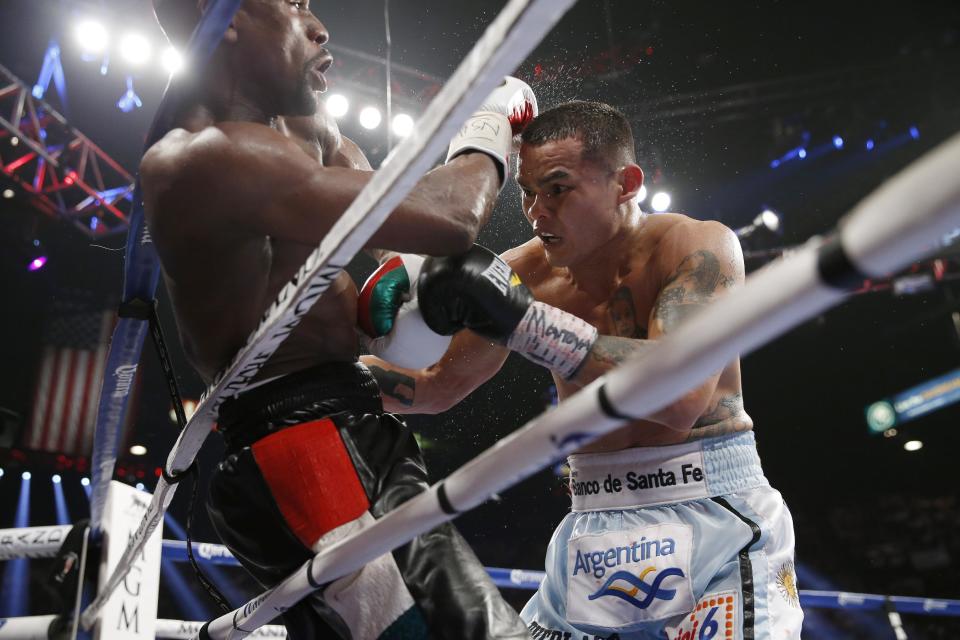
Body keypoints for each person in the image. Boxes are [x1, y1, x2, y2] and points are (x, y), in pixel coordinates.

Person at [140, 0, 536, 638]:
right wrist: (489, 125)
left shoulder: (309, 130)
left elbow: (405, 243)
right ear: (226, 18)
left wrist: (405, 296)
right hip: (299, 444)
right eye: (294, 3)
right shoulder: (207, 156)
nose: (318, 24)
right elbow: (450, 216)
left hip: (351, 421)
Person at [362, 101, 804, 640]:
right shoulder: (520, 273)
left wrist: (526, 323)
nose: (536, 211)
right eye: (526, 192)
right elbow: (435, 389)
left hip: (714, 512)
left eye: (557, 189)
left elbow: (681, 396)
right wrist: (331, 377)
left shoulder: (697, 245)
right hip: (592, 524)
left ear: (626, 183)